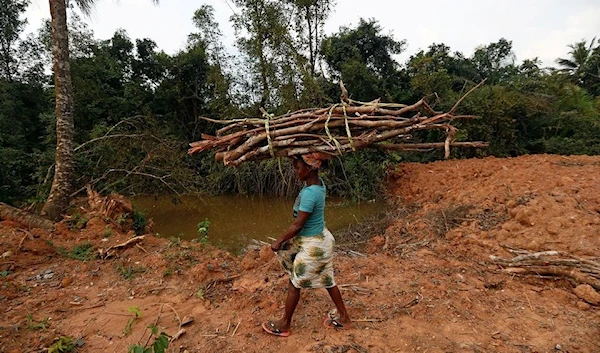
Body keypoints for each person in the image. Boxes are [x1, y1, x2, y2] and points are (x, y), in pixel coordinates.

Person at [262, 152, 352, 337]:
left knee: (294, 283)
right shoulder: (317, 185)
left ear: (311, 167)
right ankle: (344, 317)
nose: (296, 171)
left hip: (314, 247)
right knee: (328, 280)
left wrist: (279, 240)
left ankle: (284, 324)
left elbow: (297, 225)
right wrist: (294, 154)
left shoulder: (311, 193)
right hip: (322, 240)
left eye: (297, 167)